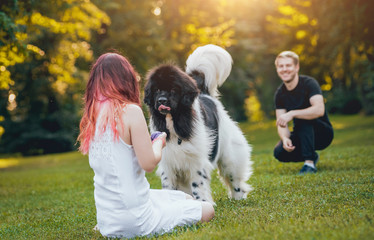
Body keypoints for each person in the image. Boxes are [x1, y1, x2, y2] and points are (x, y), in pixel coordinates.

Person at [77, 52, 214, 238]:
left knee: (185, 198)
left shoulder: (92, 117)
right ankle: (141, 223)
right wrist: (158, 142)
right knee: (206, 210)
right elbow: (149, 164)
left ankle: (109, 226)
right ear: (127, 79)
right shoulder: (131, 111)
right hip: (136, 219)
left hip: (107, 218)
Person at [273, 51, 334, 175]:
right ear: (277, 69)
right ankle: (312, 155)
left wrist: (293, 113)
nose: (284, 69)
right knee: (279, 152)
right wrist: (285, 138)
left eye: (288, 65)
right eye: (281, 66)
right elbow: (281, 122)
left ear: (297, 67)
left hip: (322, 133)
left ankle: (309, 164)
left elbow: (319, 110)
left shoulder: (309, 83)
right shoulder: (280, 94)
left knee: (301, 117)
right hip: (303, 135)